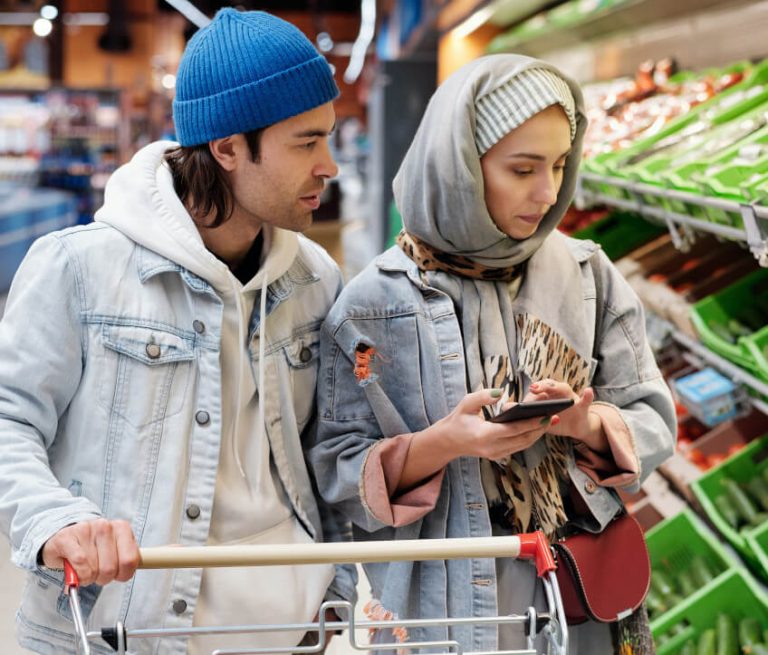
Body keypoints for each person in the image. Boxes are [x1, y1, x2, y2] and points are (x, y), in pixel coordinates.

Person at [0, 8, 355, 654]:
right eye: (306, 142)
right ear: (226, 148)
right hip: (123, 634)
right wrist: (56, 520)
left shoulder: (316, 280)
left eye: (328, 138)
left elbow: (330, 451)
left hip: (295, 633)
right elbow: (8, 420)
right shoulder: (78, 270)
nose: (328, 164)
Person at [308, 54, 676, 653]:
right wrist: (446, 442)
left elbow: (653, 421)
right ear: (457, 167)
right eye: (522, 168)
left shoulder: (588, 276)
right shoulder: (370, 307)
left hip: (579, 607)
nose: (548, 191)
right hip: (441, 618)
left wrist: (586, 423)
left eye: (559, 164)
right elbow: (337, 474)